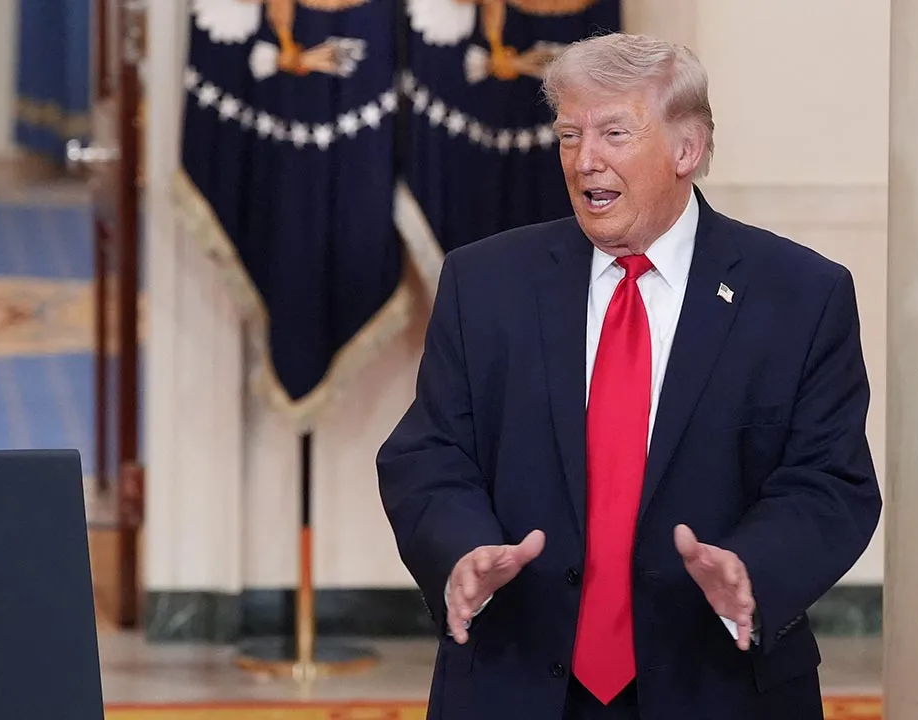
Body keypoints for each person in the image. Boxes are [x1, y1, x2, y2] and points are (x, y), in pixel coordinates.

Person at [376, 32, 882, 720]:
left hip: (720, 686)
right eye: (568, 135)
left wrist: (753, 572)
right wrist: (462, 550)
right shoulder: (483, 282)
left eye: (614, 132)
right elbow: (429, 454)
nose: (585, 160)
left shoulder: (799, 295)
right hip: (514, 681)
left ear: (687, 149)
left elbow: (831, 480)